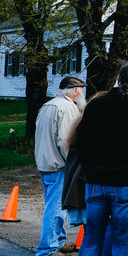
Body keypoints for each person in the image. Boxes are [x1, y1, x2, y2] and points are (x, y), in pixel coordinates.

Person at [76, 63, 128, 256]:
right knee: (121, 241)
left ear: (119, 78)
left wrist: (88, 167)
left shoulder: (96, 104)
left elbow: (82, 140)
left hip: (97, 178)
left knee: (92, 238)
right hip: (126, 181)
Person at [34, 76, 86, 256]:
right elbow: (65, 140)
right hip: (58, 164)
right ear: (75, 90)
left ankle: (57, 241)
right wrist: (72, 163)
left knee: (53, 205)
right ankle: (47, 248)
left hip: (44, 161)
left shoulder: (48, 105)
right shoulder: (68, 107)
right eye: (81, 88)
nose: (83, 92)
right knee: (55, 208)